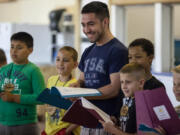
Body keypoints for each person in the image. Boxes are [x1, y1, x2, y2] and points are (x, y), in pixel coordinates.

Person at [71, 1, 128, 135]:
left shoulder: (118, 51)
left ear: (105, 22)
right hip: (87, 120)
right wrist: (76, 86)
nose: (86, 30)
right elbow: (82, 81)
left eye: (91, 24)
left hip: (108, 124)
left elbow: (114, 89)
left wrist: (81, 94)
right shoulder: (88, 51)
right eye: (83, 25)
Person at [0, 32, 46, 135]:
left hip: (25, 124)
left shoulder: (33, 70)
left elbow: (42, 97)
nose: (14, 51)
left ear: (30, 50)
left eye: (19, 47)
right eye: (12, 47)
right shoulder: (3, 70)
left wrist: (15, 98)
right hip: (2, 123)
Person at [41, 46, 80, 135]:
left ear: (75, 65)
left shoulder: (75, 86)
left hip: (66, 132)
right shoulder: (51, 80)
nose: (60, 63)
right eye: (58, 59)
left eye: (65, 60)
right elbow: (49, 108)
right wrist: (47, 129)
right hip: (49, 131)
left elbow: (81, 117)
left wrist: (65, 132)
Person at [100, 63, 146, 135]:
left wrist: (114, 131)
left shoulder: (143, 104)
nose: (123, 86)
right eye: (122, 82)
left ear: (141, 83)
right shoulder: (127, 98)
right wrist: (116, 122)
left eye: (128, 82)